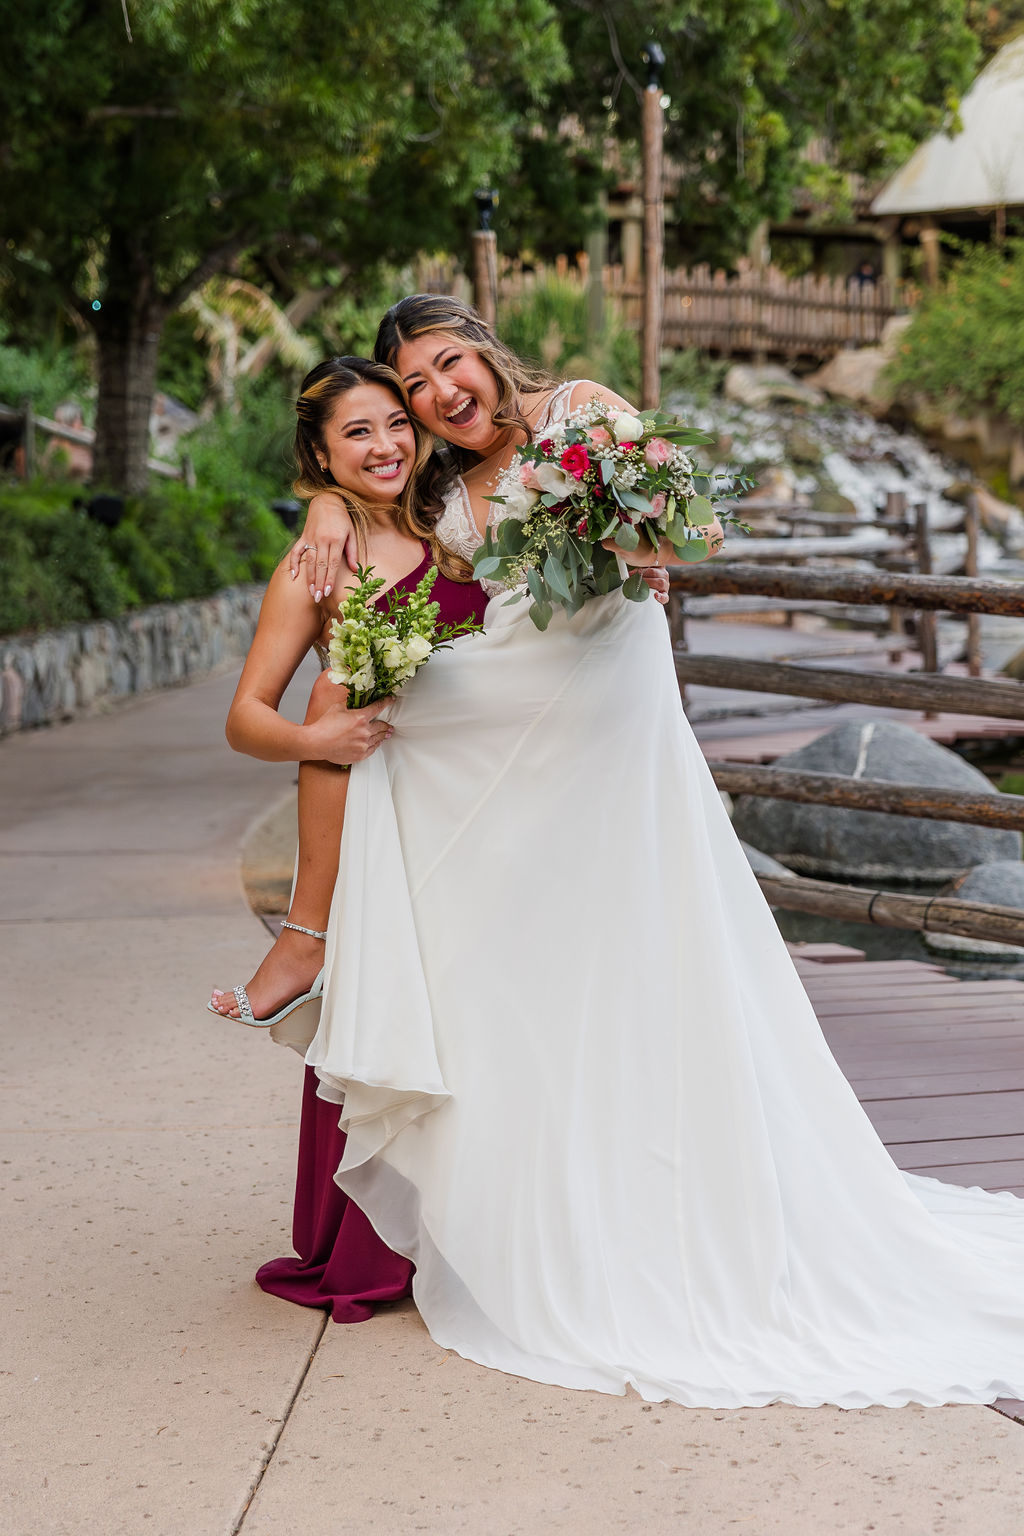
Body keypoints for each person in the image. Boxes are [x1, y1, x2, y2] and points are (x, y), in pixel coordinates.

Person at [285, 295, 1024, 1409]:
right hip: (501, 749)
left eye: (447, 366)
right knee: (520, 973)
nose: (439, 396)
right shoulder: (436, 486)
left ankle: (659, 1206)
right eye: (418, 387)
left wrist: (634, 535)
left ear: (483, 347)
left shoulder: (586, 409)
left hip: (610, 741)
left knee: (641, 959)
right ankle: (522, 1189)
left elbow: (693, 535)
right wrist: (319, 514)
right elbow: (399, 543)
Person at [212, 353, 490, 1319]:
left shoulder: (457, 528)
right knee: (397, 1019)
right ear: (321, 457)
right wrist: (315, 734)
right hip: (384, 816)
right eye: (357, 433)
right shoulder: (316, 560)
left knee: (475, 1022)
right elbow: (248, 715)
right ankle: (378, 1249)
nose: (386, 446)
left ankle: (483, 1227)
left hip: (476, 813)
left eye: (395, 424)